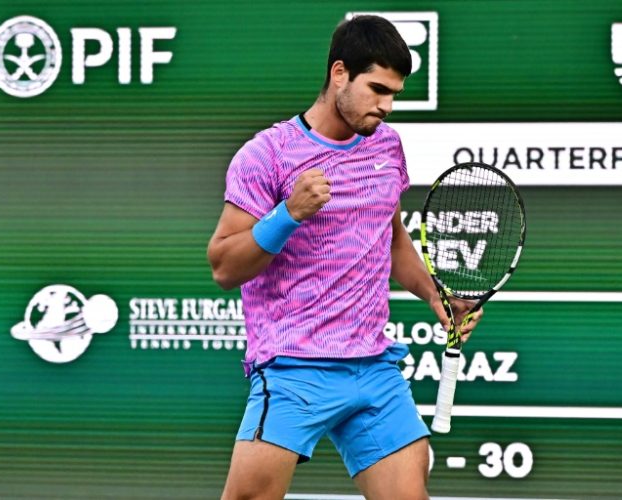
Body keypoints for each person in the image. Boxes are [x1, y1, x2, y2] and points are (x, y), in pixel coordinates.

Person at [207, 14, 482, 500]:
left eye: (395, 93)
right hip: (294, 367)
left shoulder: (387, 147)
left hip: (372, 366)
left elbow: (391, 238)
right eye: (377, 89)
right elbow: (225, 265)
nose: (388, 105)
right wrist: (288, 213)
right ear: (339, 74)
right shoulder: (266, 155)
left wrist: (438, 297)